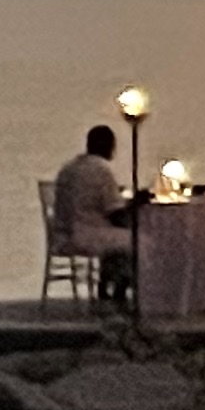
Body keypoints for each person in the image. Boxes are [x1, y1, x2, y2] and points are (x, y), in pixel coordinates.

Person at [55, 123, 137, 299]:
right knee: (138, 241)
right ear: (108, 146)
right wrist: (135, 206)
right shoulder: (101, 170)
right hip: (86, 234)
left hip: (63, 233)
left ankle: (105, 284)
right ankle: (121, 290)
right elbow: (114, 211)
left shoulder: (68, 168)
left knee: (118, 237)